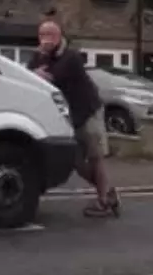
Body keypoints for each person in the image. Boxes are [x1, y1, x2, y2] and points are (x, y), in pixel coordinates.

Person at [27, 20, 119, 217]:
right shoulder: (39, 56)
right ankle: (109, 192)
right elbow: (28, 77)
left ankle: (103, 202)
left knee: (96, 157)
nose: (45, 40)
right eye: (42, 35)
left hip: (88, 111)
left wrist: (41, 71)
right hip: (69, 117)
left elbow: (56, 78)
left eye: (50, 35)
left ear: (59, 36)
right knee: (75, 162)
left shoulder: (72, 57)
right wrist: (35, 71)